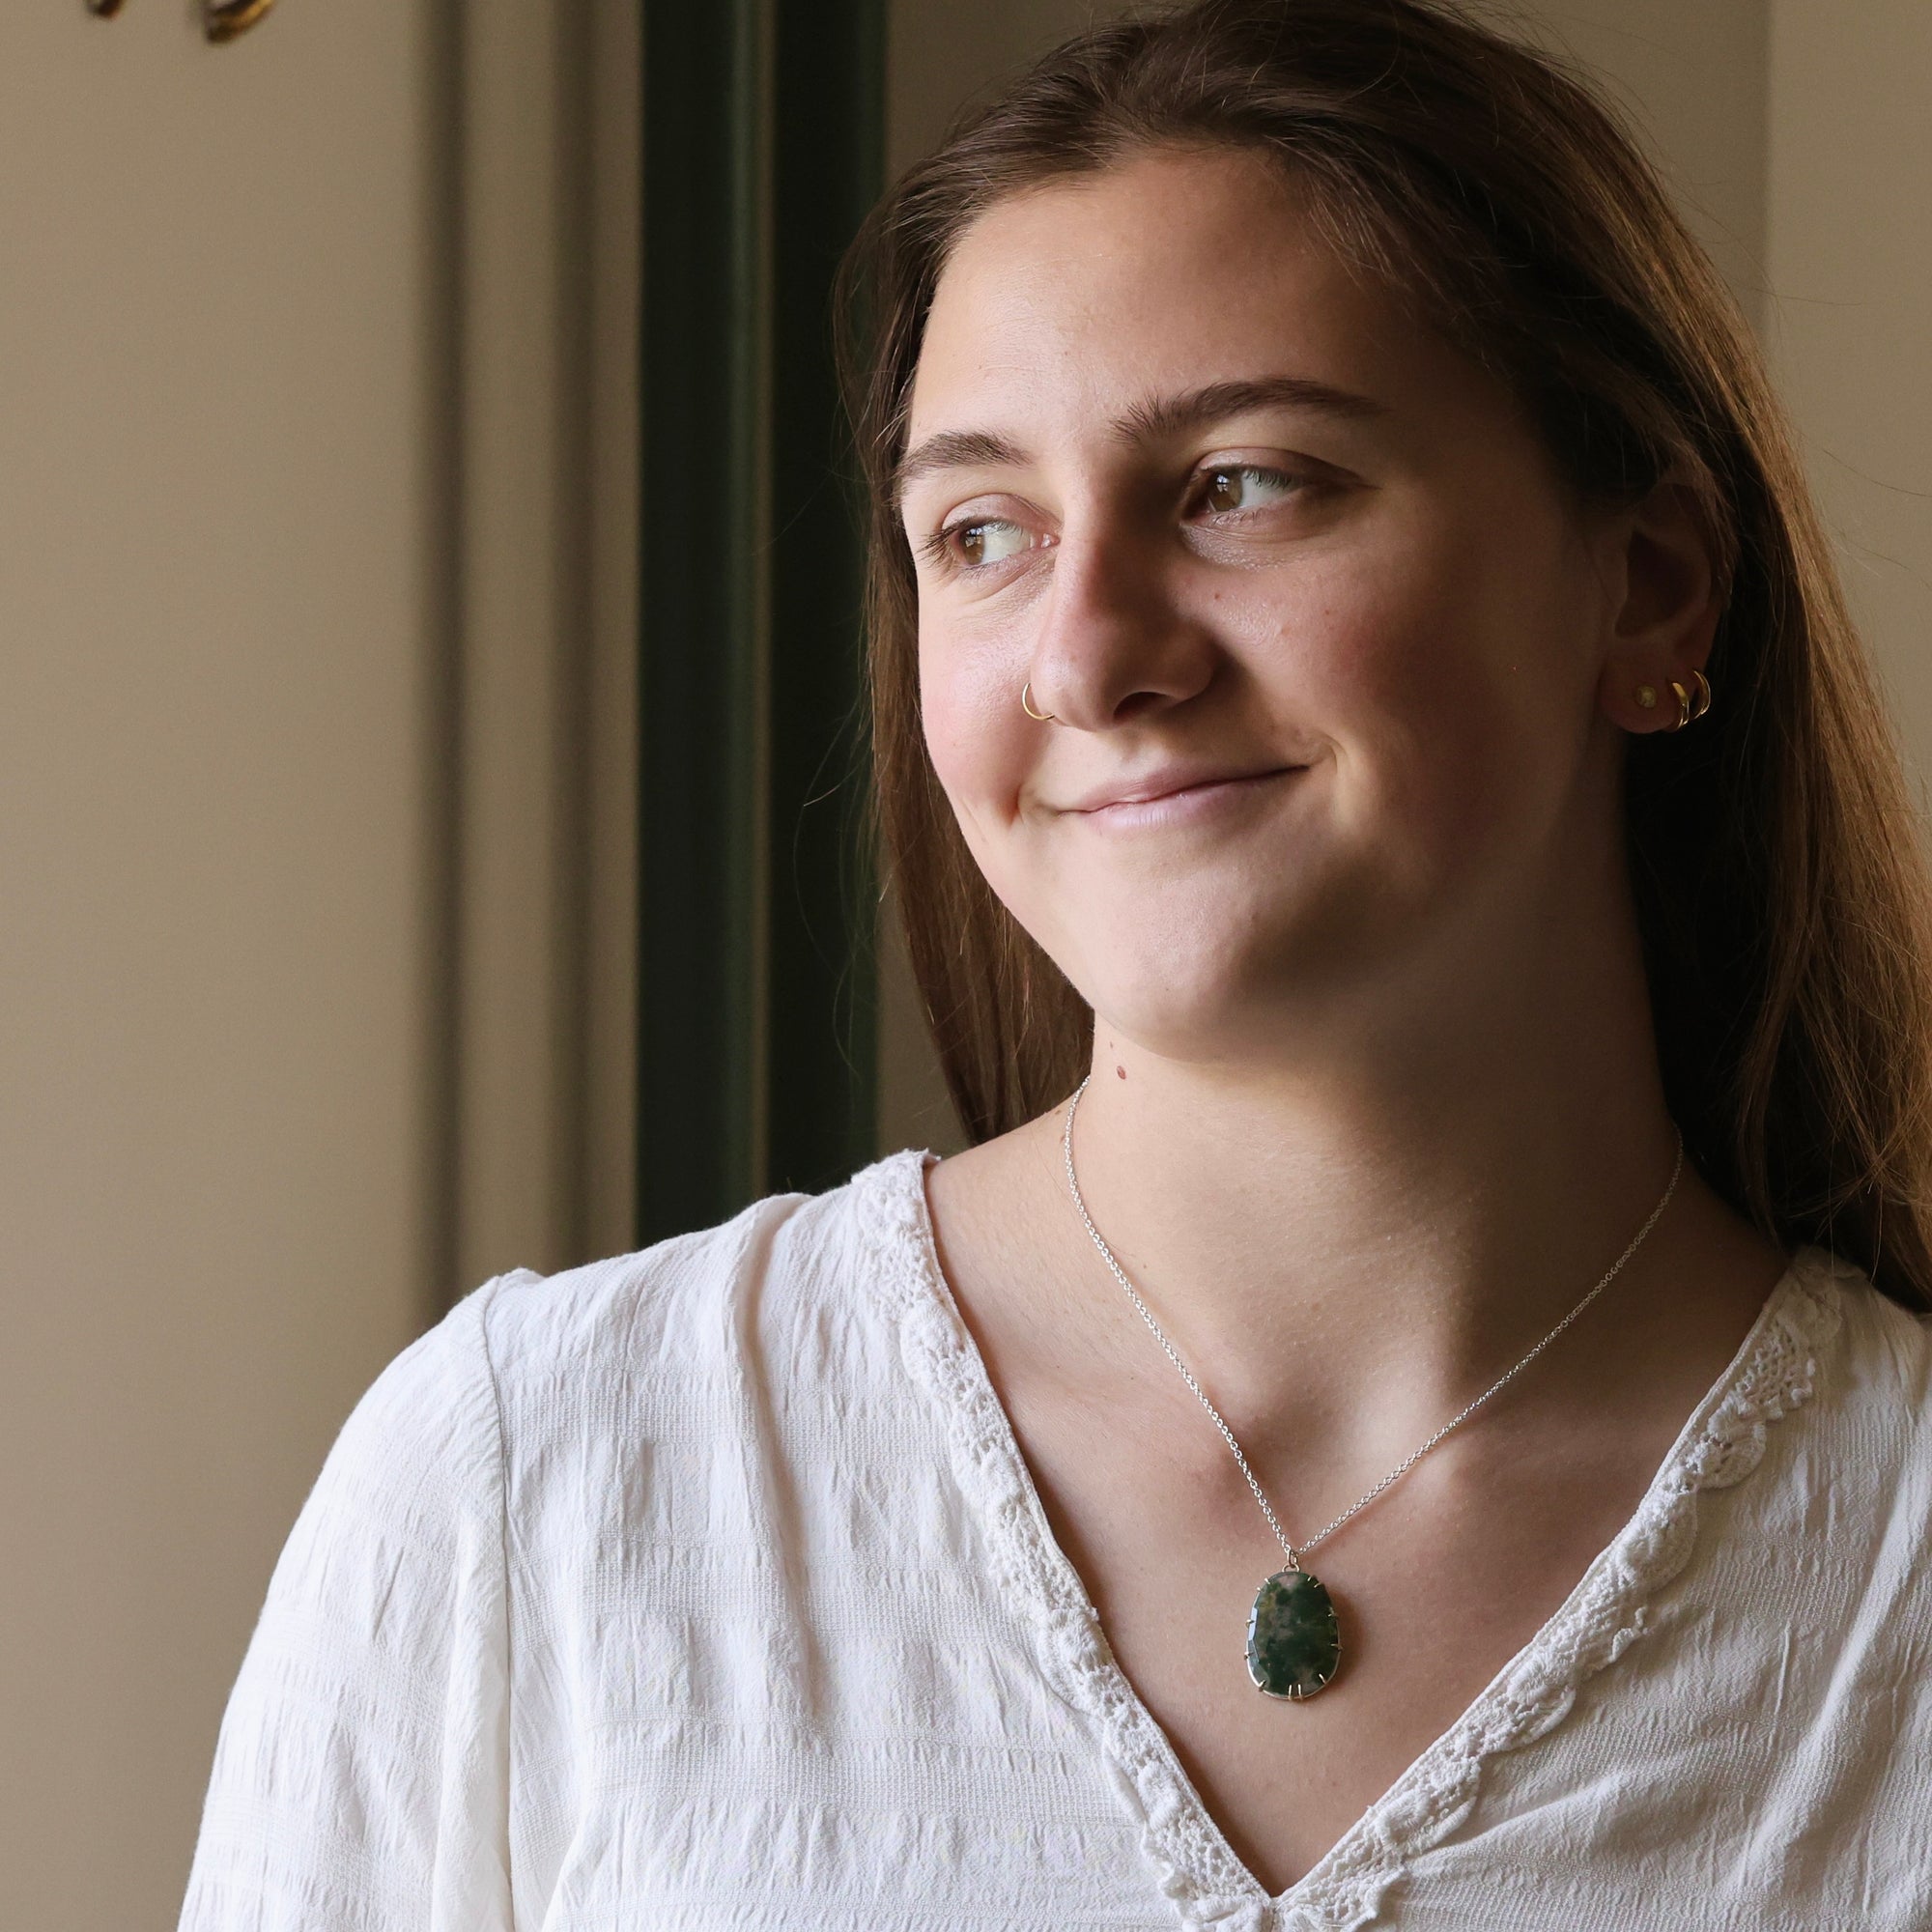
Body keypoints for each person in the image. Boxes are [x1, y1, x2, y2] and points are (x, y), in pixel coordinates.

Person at [179, 1, 1932, 1925]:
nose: (1089, 655)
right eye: (984, 529)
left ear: (1651, 577)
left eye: (1245, 483)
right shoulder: (541, 1483)